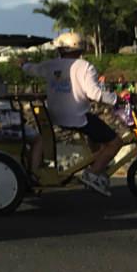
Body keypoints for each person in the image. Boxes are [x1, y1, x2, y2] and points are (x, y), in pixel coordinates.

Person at [15, 32, 122, 196]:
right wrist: (116, 98)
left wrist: (22, 65)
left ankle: (95, 164)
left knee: (94, 134)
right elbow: (95, 94)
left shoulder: (50, 65)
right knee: (116, 142)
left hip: (55, 117)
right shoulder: (85, 66)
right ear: (80, 50)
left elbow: (32, 69)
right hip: (78, 118)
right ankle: (93, 175)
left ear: (62, 49)